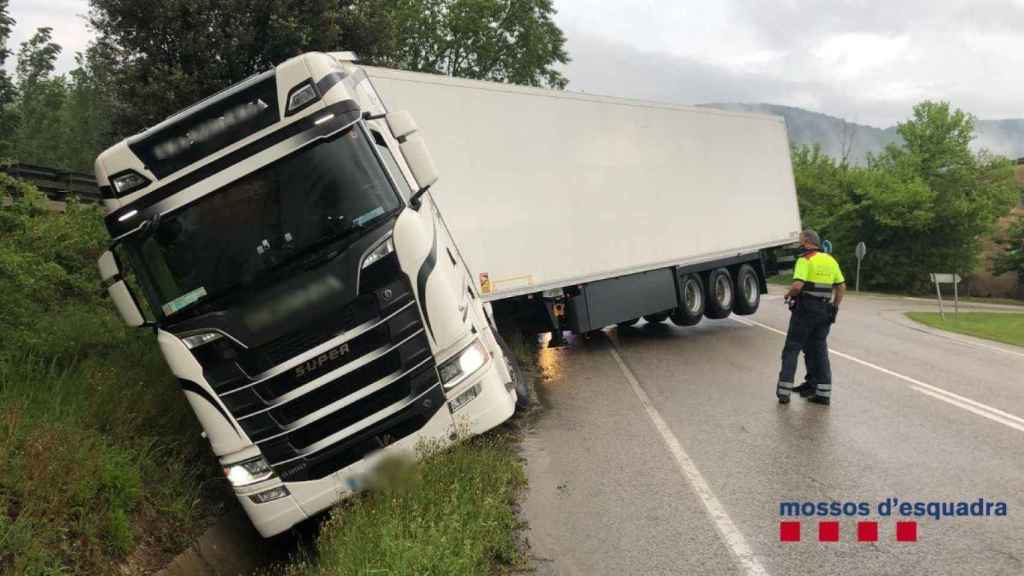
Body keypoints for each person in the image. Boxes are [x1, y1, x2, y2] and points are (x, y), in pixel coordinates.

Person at [776, 230, 845, 406]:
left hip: (806, 309)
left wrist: (788, 294)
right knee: (819, 350)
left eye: (800, 241)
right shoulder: (831, 260)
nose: (800, 244)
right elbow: (841, 286)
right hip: (825, 310)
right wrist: (835, 307)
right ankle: (823, 394)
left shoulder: (805, 259)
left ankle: (783, 392)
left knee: (792, 348)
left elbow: (798, 285)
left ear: (807, 242)